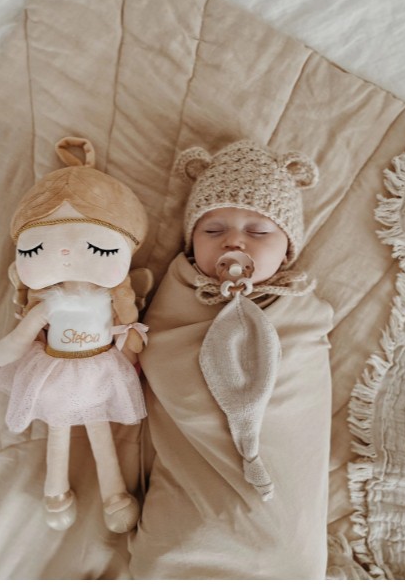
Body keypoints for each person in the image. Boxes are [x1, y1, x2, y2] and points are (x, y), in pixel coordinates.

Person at [129, 139, 334, 579]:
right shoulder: (176, 296)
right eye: (213, 230)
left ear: (287, 250)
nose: (234, 241)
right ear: (191, 244)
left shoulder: (299, 311)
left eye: (258, 232)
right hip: (192, 498)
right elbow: (162, 354)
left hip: (281, 515)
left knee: (287, 549)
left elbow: (305, 383)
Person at [0, 137, 149, 534]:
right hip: (55, 369)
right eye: (38, 249)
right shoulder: (47, 302)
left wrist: (130, 356)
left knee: (99, 430)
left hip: (99, 368)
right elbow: (20, 339)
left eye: (97, 247)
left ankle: (113, 494)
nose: (65, 254)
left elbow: (127, 329)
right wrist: (10, 348)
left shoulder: (111, 298)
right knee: (57, 432)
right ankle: (55, 491)